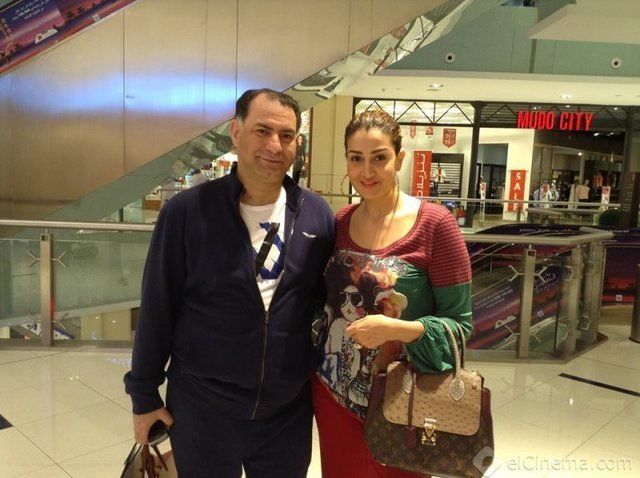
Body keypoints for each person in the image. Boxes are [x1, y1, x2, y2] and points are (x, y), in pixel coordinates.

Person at [123, 88, 335, 477]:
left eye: (286, 135)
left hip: (286, 412)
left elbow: (321, 304)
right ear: (236, 132)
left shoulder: (316, 215)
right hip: (203, 406)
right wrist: (144, 395)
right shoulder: (187, 212)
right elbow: (157, 306)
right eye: (262, 131)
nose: (275, 146)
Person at [312, 110, 473, 478]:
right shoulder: (339, 223)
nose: (367, 171)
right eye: (356, 158)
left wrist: (398, 329)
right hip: (333, 393)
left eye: (379, 157)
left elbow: (460, 327)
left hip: (405, 397)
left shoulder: (435, 226)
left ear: (399, 159)